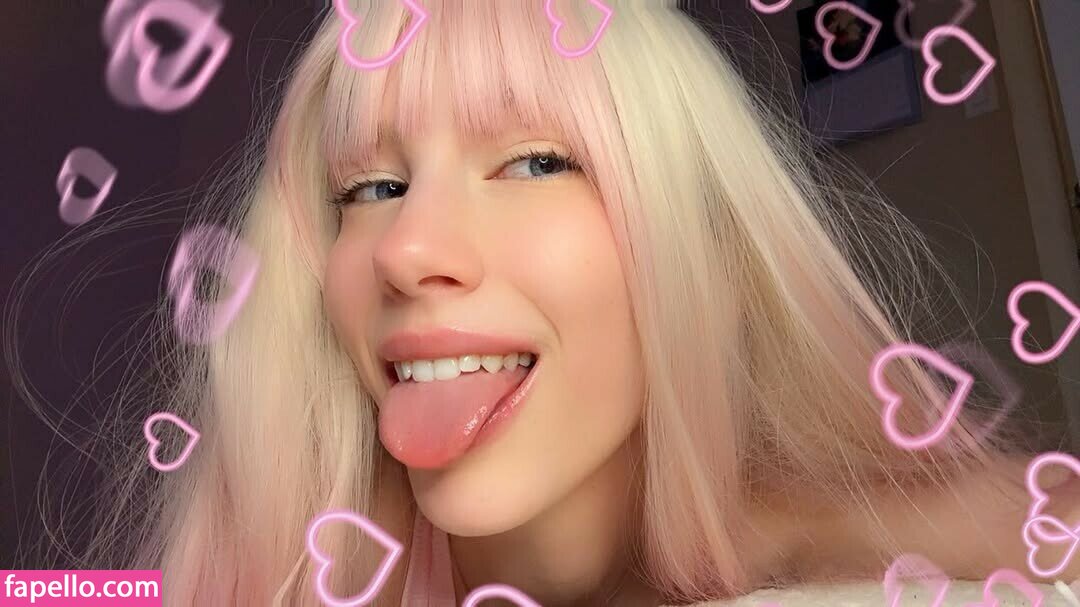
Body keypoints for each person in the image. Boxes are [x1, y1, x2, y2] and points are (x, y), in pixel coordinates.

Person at [67, 0, 1080, 604]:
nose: (407, 250)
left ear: (706, 255)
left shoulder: (972, 542)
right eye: (370, 188)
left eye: (536, 162)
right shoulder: (288, 561)